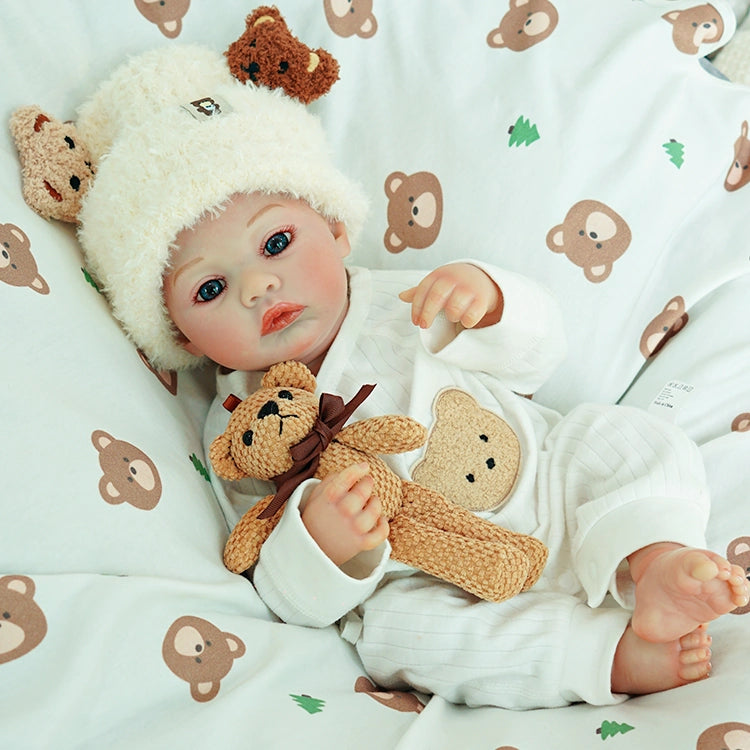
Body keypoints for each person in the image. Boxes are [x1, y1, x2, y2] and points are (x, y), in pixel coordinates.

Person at [77, 45, 749, 710]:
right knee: (402, 637)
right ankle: (609, 657)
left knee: (627, 440)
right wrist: (321, 542)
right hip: (437, 584)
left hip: (550, 482)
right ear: (179, 336)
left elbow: (537, 359)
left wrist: (490, 304)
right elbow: (278, 586)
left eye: (276, 243)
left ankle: (654, 559)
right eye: (211, 287)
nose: (257, 286)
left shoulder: (403, 302)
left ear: (336, 228)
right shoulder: (238, 425)